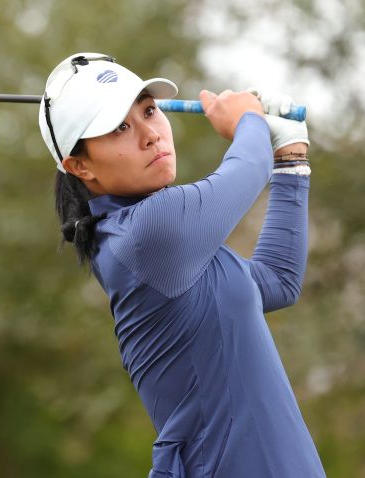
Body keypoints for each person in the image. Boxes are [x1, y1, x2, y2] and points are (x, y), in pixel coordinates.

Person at [38, 52, 325, 477]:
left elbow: (278, 281)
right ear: (79, 167)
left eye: (149, 111)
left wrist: (290, 158)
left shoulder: (157, 245)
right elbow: (249, 164)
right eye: (119, 127)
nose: (150, 134)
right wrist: (248, 120)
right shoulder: (147, 234)